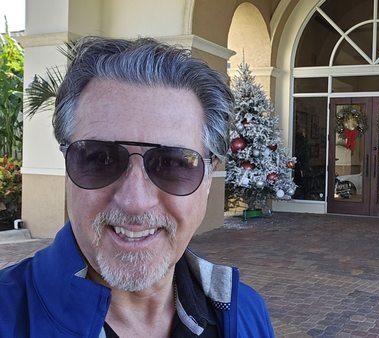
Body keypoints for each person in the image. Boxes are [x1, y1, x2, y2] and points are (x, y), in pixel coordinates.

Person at [0, 37, 275, 337]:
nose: (134, 201)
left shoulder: (246, 313)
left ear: (209, 178)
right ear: (66, 164)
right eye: (99, 159)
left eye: (172, 164)